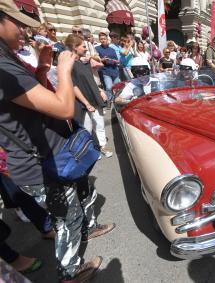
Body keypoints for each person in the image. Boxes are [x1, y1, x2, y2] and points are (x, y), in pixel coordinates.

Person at [0, 2, 115, 281]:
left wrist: (42, 67)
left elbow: (33, 99)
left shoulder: (8, 57)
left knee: (80, 195)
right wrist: (63, 69)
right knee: (67, 217)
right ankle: (70, 272)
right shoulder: (2, 66)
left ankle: (88, 229)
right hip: (42, 164)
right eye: (17, 23)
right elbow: (63, 108)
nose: (25, 29)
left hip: (56, 154)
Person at [65, 34, 113, 159]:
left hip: (93, 97)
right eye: (83, 46)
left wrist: (100, 90)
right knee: (87, 127)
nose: (86, 49)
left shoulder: (84, 62)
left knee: (99, 124)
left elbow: (90, 80)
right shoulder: (69, 64)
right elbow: (73, 86)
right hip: (81, 101)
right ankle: (90, 149)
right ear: (75, 47)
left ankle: (103, 145)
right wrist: (86, 103)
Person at [95, 32, 120, 109]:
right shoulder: (97, 49)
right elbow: (96, 59)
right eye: (101, 39)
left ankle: (117, 100)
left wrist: (116, 61)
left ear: (107, 39)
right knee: (108, 87)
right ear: (99, 40)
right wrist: (102, 60)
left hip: (114, 70)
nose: (103, 40)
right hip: (105, 71)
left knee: (117, 87)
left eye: (104, 39)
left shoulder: (112, 49)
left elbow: (117, 60)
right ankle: (109, 101)